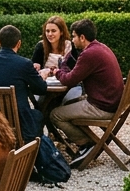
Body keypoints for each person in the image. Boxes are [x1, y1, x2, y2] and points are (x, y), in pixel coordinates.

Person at [51, 19, 125, 164]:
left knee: (55, 114)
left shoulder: (89, 54)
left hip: (102, 106)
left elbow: (69, 80)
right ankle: (85, 141)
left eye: (74, 36)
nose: (73, 40)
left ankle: (86, 144)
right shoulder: (100, 47)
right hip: (111, 102)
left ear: (82, 37)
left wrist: (57, 71)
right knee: (69, 103)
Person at [0, 25, 47, 143]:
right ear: (19, 43)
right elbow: (41, 89)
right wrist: (41, 77)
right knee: (39, 115)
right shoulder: (24, 64)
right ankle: (34, 155)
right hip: (19, 122)